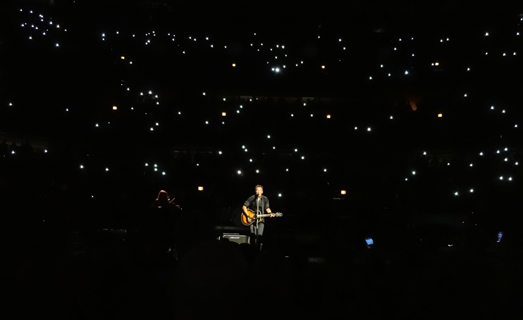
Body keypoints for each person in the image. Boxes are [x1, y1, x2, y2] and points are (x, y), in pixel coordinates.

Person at [242, 185, 275, 250]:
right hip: (252, 219)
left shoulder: (265, 199)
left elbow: (267, 208)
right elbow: (244, 206)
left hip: (261, 220)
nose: (258, 191)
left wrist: (270, 213)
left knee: (259, 236)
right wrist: (248, 215)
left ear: (262, 191)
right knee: (252, 236)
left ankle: (258, 251)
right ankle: (252, 250)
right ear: (255, 191)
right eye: (257, 190)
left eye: (260, 190)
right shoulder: (252, 198)